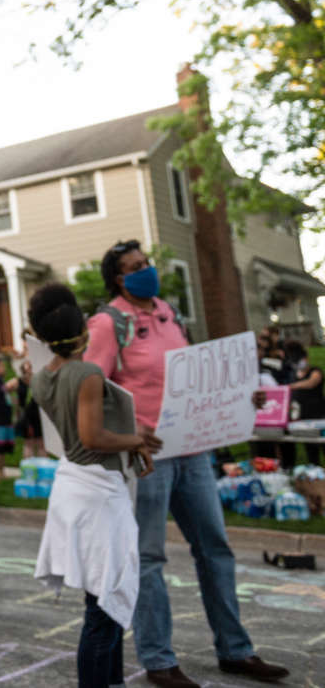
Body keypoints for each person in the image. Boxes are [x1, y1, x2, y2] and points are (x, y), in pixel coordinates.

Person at [85, 239, 288, 688]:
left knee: (215, 549)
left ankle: (236, 651)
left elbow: (195, 376)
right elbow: (90, 390)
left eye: (147, 263)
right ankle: (159, 661)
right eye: (136, 267)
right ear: (119, 278)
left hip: (194, 451)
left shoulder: (167, 313)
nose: (147, 271)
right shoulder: (108, 323)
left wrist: (240, 396)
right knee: (150, 557)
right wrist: (130, 431)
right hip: (147, 457)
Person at [28, 283, 160, 688]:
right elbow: (92, 437)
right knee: (103, 607)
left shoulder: (42, 376)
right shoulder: (86, 373)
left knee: (101, 600)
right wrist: (136, 438)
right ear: (83, 333)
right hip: (96, 491)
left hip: (73, 487)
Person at [285, 340, 322, 467]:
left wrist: (292, 386)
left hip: (318, 414)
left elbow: (312, 383)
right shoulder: (294, 375)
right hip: (302, 416)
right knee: (311, 450)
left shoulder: (315, 371)